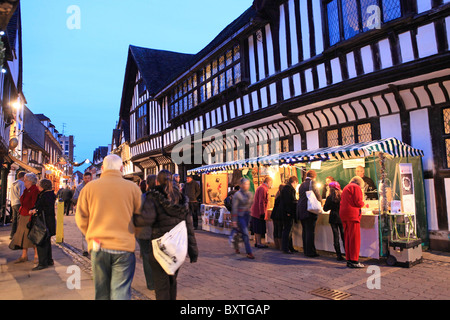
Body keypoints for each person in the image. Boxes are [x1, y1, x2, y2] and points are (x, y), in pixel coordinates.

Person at [76, 154, 142, 300]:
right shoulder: (133, 188)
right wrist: (132, 235)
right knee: (121, 291)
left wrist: (90, 235)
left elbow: (80, 217)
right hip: (124, 246)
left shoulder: (89, 188)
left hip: (98, 244)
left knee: (102, 292)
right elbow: (141, 218)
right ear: (121, 168)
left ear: (102, 168)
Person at [134, 170, 198, 300]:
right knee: (172, 282)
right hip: (177, 248)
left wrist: (135, 216)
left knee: (161, 285)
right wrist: (193, 251)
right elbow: (189, 226)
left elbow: (145, 220)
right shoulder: (180, 198)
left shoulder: (153, 197)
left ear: (157, 181)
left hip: (159, 247)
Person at [9, 173, 39, 264]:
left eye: (25, 180)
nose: (24, 181)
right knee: (22, 236)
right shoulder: (26, 190)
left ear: (30, 181)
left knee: (31, 236)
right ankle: (24, 255)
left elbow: (34, 203)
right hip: (23, 214)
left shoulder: (34, 190)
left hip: (29, 216)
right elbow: (22, 200)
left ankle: (36, 256)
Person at [29, 179, 56, 271]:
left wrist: (34, 210)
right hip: (48, 221)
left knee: (41, 241)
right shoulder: (50, 194)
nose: (38, 186)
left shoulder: (45, 195)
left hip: (44, 222)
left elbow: (43, 208)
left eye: (39, 185)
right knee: (46, 241)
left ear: (43, 186)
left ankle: (43, 263)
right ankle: (49, 260)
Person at [135, 174, 157, 291]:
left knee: (147, 256)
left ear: (147, 184)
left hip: (144, 232)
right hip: (158, 231)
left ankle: (151, 283)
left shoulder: (142, 197)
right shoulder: (163, 197)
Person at [340, 176, 366, 268]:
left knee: (347, 238)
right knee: (354, 239)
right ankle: (354, 260)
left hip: (344, 214)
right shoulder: (356, 187)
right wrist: (364, 204)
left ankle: (349, 259)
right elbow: (358, 202)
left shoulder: (346, 187)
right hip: (352, 215)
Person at [297, 170, 322, 258]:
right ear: (314, 176)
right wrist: (320, 203)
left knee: (305, 230)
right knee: (310, 231)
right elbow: (318, 196)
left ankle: (306, 250)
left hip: (301, 210)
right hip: (310, 210)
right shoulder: (313, 183)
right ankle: (310, 252)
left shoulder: (301, 184)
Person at [229, 178, 255, 259]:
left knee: (242, 233)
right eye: (245, 184)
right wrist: (234, 220)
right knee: (245, 233)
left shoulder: (250, 194)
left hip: (247, 215)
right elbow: (235, 207)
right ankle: (249, 252)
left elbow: (250, 204)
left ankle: (236, 246)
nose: (246, 186)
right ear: (241, 185)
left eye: (247, 184)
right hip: (240, 216)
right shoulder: (237, 195)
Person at [323, 181, 345, 261]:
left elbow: (325, 209)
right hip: (342, 217)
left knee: (336, 237)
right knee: (344, 236)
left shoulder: (329, 197)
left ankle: (339, 255)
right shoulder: (343, 196)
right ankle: (347, 253)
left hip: (333, 218)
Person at [72, 172, 93, 256]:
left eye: (88, 178)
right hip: (84, 210)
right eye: (86, 178)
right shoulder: (80, 187)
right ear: (83, 178)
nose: (87, 179)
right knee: (84, 230)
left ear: (91, 178)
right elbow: (74, 198)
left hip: (93, 210)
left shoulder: (95, 186)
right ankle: (85, 249)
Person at [251, 177, 273, 248]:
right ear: (268, 182)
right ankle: (259, 243)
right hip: (258, 212)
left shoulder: (260, 187)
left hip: (255, 211)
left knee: (256, 227)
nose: (271, 185)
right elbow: (262, 202)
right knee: (258, 227)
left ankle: (257, 242)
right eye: (271, 183)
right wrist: (262, 213)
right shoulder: (263, 189)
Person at [279, 176, 299, 254]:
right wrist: (289, 212)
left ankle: (290, 247)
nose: (296, 186)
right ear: (294, 182)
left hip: (285, 212)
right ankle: (286, 248)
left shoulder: (286, 188)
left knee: (288, 230)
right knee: (288, 230)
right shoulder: (290, 189)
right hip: (288, 213)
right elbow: (289, 202)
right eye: (296, 184)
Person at [9, 171, 25, 239]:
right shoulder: (21, 183)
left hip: (13, 203)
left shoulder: (13, 183)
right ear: (22, 177)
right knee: (19, 220)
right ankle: (19, 235)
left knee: (14, 219)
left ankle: (12, 234)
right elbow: (21, 195)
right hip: (18, 203)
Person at [270, 184, 285, 251]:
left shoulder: (277, 195)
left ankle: (277, 245)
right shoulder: (282, 197)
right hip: (279, 215)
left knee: (276, 229)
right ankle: (281, 246)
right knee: (280, 229)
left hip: (274, 214)